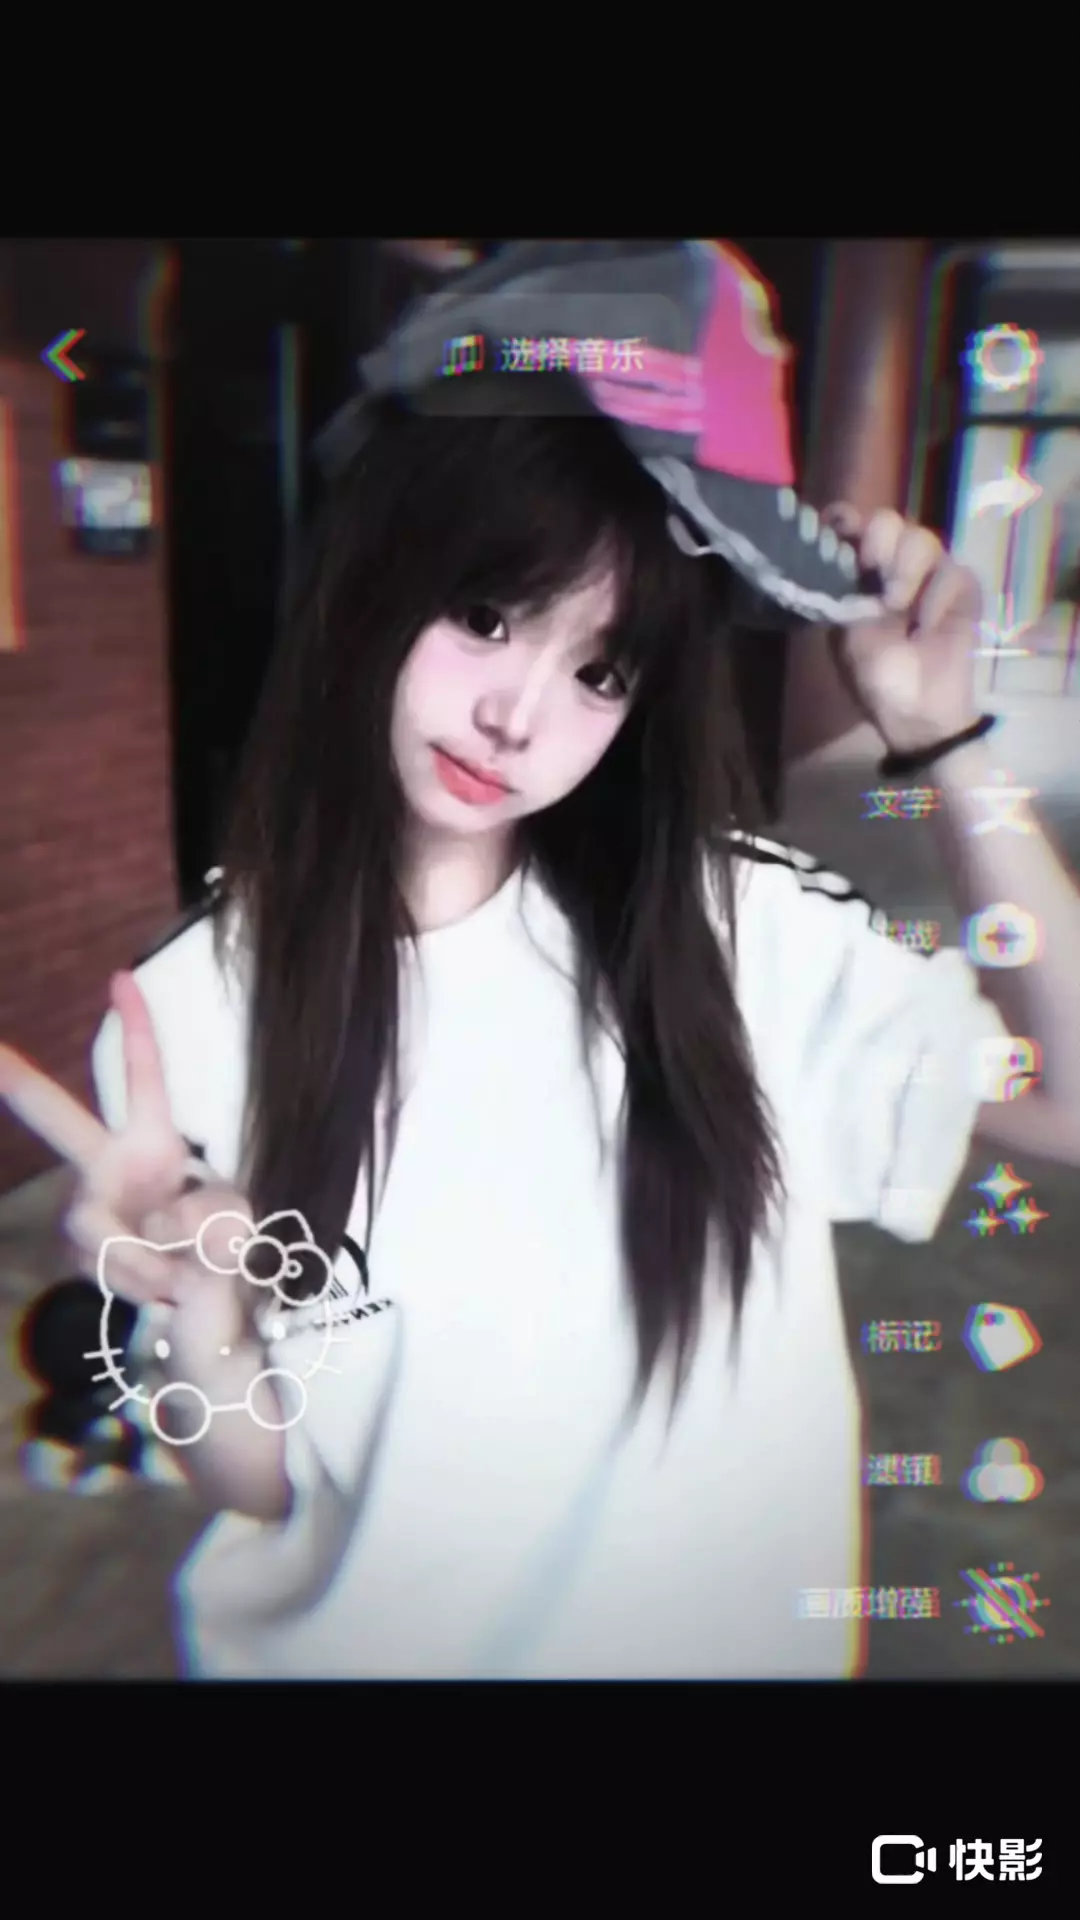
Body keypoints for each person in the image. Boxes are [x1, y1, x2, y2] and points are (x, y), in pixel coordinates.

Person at [2, 241, 1079, 1681]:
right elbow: (260, 1487)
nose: (518, 714)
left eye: (600, 669)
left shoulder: (731, 935)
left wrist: (947, 740)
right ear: (374, 581)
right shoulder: (190, 1016)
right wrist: (199, 1321)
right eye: (486, 614)